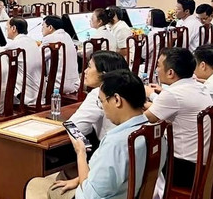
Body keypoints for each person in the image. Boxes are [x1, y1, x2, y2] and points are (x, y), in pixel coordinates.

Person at [49, 69, 154, 199]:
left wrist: (80, 153)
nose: (102, 107)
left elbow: (89, 195)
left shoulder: (116, 143)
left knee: (40, 185)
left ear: (117, 100)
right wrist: (78, 180)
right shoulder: (155, 130)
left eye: (102, 101)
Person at [144, 47, 213, 189]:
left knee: (141, 154)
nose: (156, 70)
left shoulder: (172, 95)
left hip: (183, 168)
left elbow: (144, 119)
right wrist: (151, 97)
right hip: (202, 162)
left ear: (170, 73)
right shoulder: (198, 86)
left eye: (158, 66)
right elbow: (170, 105)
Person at [69, 51, 130, 142]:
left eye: (89, 66)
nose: (85, 71)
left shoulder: (99, 93)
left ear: (103, 74)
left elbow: (75, 127)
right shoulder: (132, 87)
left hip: (109, 145)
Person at [5, 18, 42, 106]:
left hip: (25, 96)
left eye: (7, 28)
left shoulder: (14, 44)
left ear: (13, 28)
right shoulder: (32, 42)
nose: (6, 30)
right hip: (39, 93)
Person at [42, 15, 80, 94]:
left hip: (57, 86)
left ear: (50, 27)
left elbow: (37, 57)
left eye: (43, 26)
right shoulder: (67, 36)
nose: (41, 30)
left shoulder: (49, 38)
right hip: (74, 85)